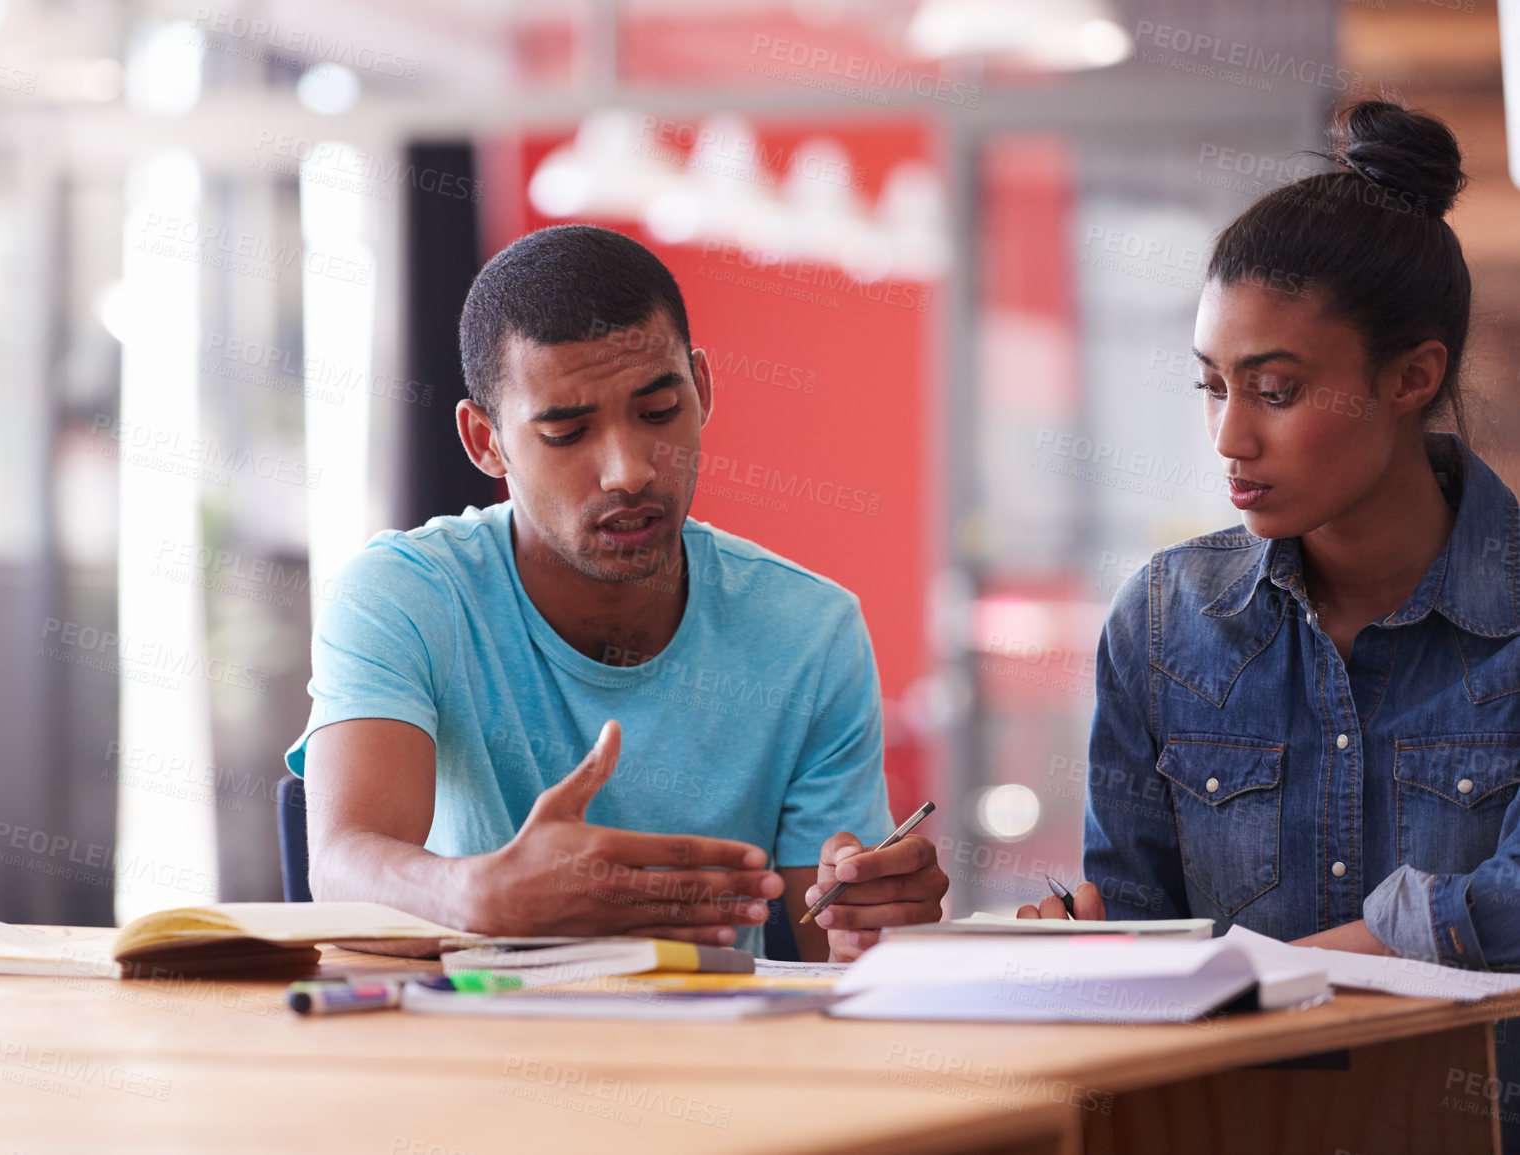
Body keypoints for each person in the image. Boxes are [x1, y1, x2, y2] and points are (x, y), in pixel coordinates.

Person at [1018, 100, 1520, 1146]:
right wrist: (1084, 951)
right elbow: (1140, 930)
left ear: (1411, 377)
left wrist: (1269, 972)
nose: (1231, 437)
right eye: (1212, 387)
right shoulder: (1164, 620)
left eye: (1278, 390)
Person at [288, 224, 947, 961]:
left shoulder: (810, 629)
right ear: (484, 442)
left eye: (658, 411)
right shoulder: (406, 595)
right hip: (475, 1051)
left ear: (700, 390)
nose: (627, 471)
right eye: (567, 432)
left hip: (727, 1059)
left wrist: (867, 919)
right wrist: (482, 896)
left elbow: (820, 947)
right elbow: (342, 865)